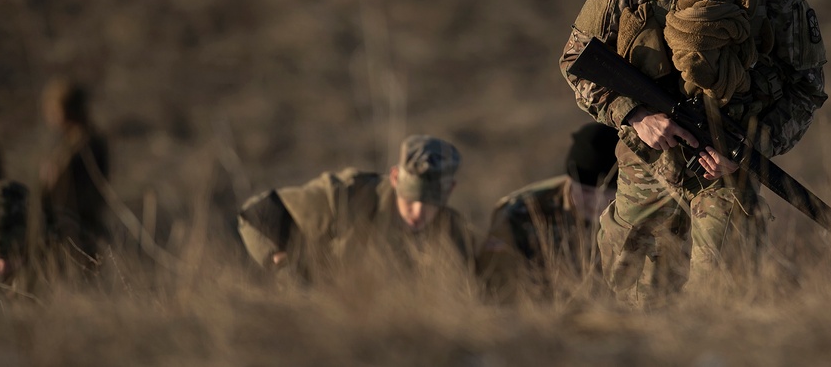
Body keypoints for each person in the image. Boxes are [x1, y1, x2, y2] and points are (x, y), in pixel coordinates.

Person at [559, 0, 827, 302]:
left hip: (726, 172)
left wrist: (752, 148)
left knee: (723, 300)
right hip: (648, 166)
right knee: (631, 299)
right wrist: (635, 113)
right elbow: (575, 58)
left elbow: (807, 89)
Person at [237, 134, 475, 280]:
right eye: (410, 200)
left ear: (450, 190)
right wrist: (287, 271)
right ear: (394, 178)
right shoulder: (345, 196)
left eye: (430, 203)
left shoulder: (455, 235)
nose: (419, 212)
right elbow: (259, 214)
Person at [476, 122, 618, 298]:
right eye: (587, 192)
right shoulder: (521, 212)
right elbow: (496, 288)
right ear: (569, 181)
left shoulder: (641, 210)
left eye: (610, 193)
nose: (597, 202)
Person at [38, 78, 110, 260]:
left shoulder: (87, 145)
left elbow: (86, 191)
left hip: (78, 226)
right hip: (64, 224)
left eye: (53, 108)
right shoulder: (67, 143)